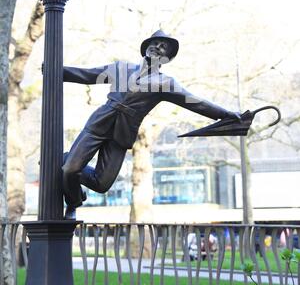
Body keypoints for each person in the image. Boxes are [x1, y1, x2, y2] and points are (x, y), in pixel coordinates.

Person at [62, 30, 241, 219]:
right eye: (154, 43)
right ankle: (73, 202)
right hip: (99, 124)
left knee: (101, 184)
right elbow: (87, 75)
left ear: (167, 58)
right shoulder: (120, 68)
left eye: (163, 46)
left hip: (121, 134)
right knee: (69, 170)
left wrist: (225, 114)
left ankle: (66, 159)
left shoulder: (165, 83)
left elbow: (195, 102)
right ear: (145, 47)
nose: (157, 47)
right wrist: (57, 69)